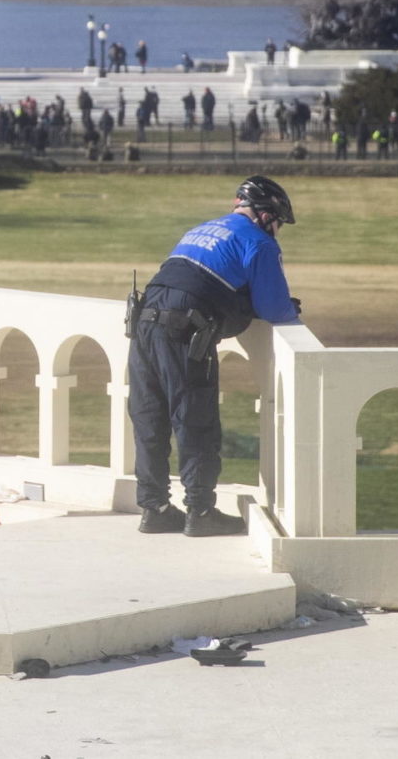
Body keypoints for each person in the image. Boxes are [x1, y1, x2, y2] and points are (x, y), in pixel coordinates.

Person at [127, 176, 302, 536]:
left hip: (144, 321)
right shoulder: (258, 241)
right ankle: (200, 512)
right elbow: (276, 309)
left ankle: (154, 508)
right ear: (266, 215)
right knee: (195, 417)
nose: (278, 230)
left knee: (150, 418)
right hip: (184, 329)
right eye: (279, 222)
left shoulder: (201, 229)